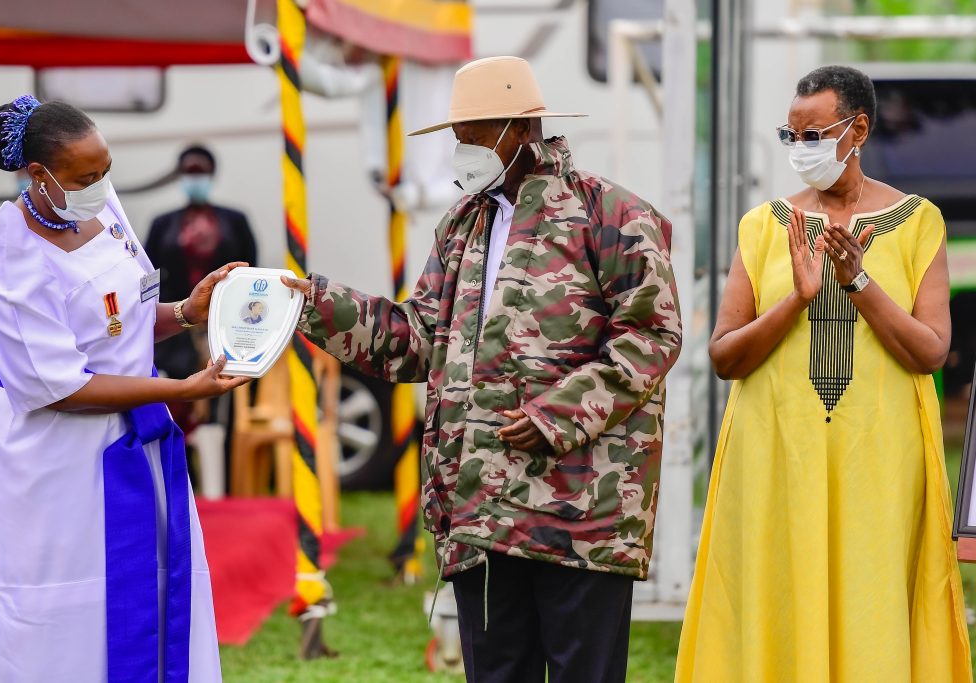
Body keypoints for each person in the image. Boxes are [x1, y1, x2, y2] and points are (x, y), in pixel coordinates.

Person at [285, 56, 682, 683]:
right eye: (455, 133)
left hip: (579, 511)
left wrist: (557, 417)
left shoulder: (611, 215)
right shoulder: (461, 225)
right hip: (480, 508)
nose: (459, 147)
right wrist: (305, 301)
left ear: (518, 130)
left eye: (472, 133)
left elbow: (651, 334)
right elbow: (415, 341)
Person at [675, 65, 972, 681]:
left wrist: (858, 282)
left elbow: (930, 352)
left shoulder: (918, 222)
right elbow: (726, 355)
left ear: (857, 129)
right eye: (791, 136)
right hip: (778, 454)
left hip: (879, 459)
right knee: (779, 590)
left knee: (873, 595)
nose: (800, 149)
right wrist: (795, 300)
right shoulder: (762, 227)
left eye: (813, 134)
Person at [0, 95, 250, 681]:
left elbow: (125, 317)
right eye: (84, 177)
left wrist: (188, 312)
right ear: (39, 175)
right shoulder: (10, 249)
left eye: (105, 172)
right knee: (68, 609)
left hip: (136, 434)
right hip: (54, 460)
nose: (100, 185)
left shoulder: (97, 203)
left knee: (157, 585)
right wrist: (178, 390)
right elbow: (58, 387)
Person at [144, 144, 257, 385]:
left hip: (227, 319)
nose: (195, 178)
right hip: (176, 324)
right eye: (189, 172)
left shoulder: (235, 220)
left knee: (225, 381)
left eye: (201, 172)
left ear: (212, 174)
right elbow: (147, 273)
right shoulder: (163, 223)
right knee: (178, 384)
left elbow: (251, 270)